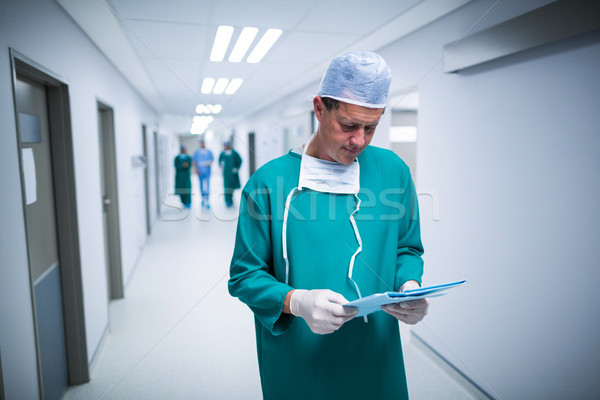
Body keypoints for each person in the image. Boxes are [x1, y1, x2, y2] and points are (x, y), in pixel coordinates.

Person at [228, 51, 429, 400]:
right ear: (320, 108)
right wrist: (297, 301)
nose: (360, 141)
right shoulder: (269, 182)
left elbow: (406, 248)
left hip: (376, 353)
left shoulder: (392, 171)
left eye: (371, 127)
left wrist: (410, 286)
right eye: (349, 125)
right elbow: (245, 276)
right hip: (299, 357)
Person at [218, 141, 242, 207]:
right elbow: (219, 161)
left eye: (228, 145)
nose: (226, 147)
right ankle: (227, 201)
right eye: (225, 146)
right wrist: (221, 166)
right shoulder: (222, 154)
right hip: (226, 174)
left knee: (232, 187)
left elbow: (240, 160)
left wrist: (237, 168)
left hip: (233, 174)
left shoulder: (234, 153)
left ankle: (231, 199)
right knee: (226, 187)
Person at [192, 139, 214, 208]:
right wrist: (196, 170)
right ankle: (203, 198)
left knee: (207, 185)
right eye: (201, 143)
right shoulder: (197, 152)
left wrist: (208, 163)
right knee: (201, 185)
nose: (203, 144)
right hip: (200, 172)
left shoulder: (209, 152)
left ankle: (207, 200)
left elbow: (212, 160)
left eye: (203, 143)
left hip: (207, 171)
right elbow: (194, 162)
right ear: (200, 144)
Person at [173, 144, 192, 209]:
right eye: (182, 149)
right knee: (181, 190)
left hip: (186, 176)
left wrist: (183, 165)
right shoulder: (177, 158)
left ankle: (188, 202)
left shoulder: (188, 157)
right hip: (179, 176)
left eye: (184, 149)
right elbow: (176, 166)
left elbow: (188, 165)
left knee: (187, 189)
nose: (184, 150)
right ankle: (183, 202)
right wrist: (183, 165)